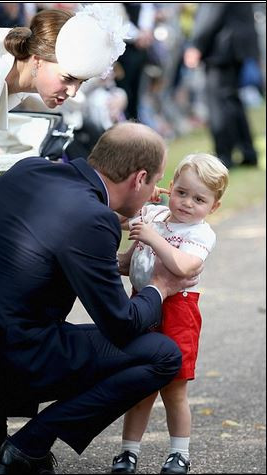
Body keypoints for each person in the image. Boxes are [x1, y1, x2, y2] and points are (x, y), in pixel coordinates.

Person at [0, 122, 202, 474]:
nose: (155, 193)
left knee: (18, 312)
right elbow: (122, 323)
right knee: (162, 355)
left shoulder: (29, 169)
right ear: (139, 178)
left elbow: (38, 255)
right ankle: (27, 449)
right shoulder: (95, 219)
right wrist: (158, 288)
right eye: (154, 182)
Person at [0, 3, 128, 446]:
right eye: (68, 79)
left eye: (80, 83)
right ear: (37, 59)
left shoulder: (15, 57)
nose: (72, 93)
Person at [111, 153, 229, 474]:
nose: (187, 203)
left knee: (174, 388)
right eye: (181, 192)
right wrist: (138, 203)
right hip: (141, 304)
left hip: (178, 310)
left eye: (199, 199)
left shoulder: (201, 233)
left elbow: (183, 266)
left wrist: (152, 236)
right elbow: (113, 215)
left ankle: (179, 453)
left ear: (213, 207)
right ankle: (128, 451)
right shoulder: (154, 213)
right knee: (139, 384)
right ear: (170, 187)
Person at [184, 3, 260, 169]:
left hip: (223, 46)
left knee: (219, 103)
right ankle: (248, 152)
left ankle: (224, 156)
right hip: (236, 44)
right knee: (232, 100)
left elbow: (211, 11)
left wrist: (197, 44)